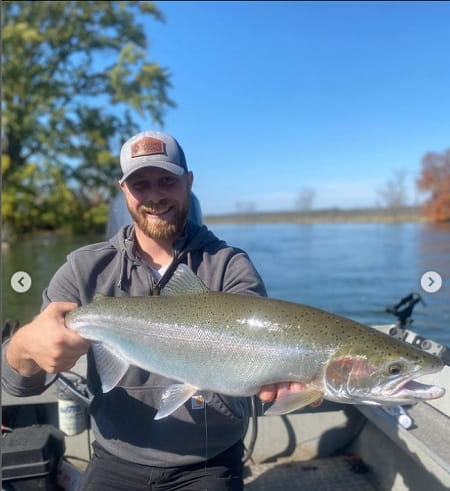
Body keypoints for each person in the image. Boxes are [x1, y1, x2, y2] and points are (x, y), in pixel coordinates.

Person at [2, 130, 314, 490]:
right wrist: (26, 346)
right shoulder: (83, 271)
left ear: (189, 182)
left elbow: (260, 344)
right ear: (124, 191)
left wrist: (281, 379)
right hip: (115, 457)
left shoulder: (229, 267)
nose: (155, 196)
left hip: (208, 462)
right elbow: (14, 383)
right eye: (141, 185)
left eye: (167, 181)